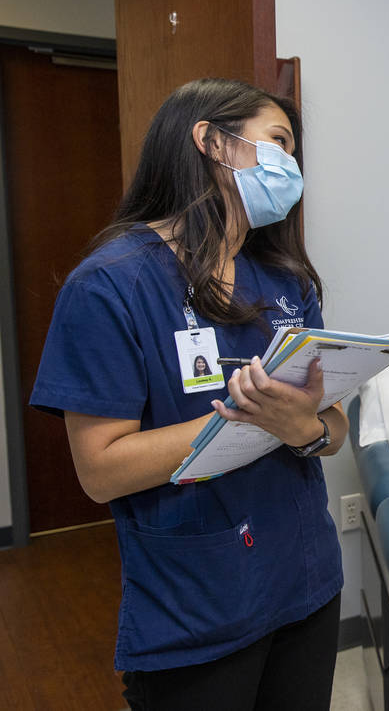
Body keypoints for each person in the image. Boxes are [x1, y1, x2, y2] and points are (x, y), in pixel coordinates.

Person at [30, 78, 347, 711]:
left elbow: (329, 427)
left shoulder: (283, 277)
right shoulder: (111, 286)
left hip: (306, 581)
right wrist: (261, 422)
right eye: (277, 142)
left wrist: (306, 428)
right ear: (212, 141)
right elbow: (100, 469)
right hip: (196, 603)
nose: (291, 163)